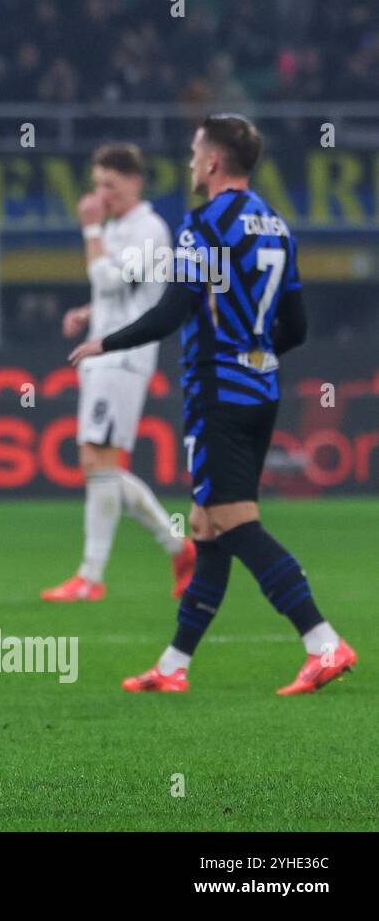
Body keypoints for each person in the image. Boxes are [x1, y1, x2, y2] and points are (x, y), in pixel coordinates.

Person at [69, 114, 356, 695]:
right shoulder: (275, 225)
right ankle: (174, 665)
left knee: (232, 520)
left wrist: (105, 340)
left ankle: (322, 640)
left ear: (214, 162)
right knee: (206, 526)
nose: (190, 161)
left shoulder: (205, 224)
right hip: (260, 391)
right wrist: (253, 351)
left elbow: (174, 310)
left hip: (218, 394)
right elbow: (295, 327)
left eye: (196, 151)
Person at [42, 143, 196, 603]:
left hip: (124, 356)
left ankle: (91, 577)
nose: (102, 194)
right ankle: (177, 548)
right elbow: (125, 291)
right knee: (100, 465)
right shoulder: (122, 227)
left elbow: (112, 279)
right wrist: (89, 312)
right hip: (104, 351)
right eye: (97, 185)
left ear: (135, 181)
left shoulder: (149, 228)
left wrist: (89, 229)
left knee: (97, 461)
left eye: (110, 184)